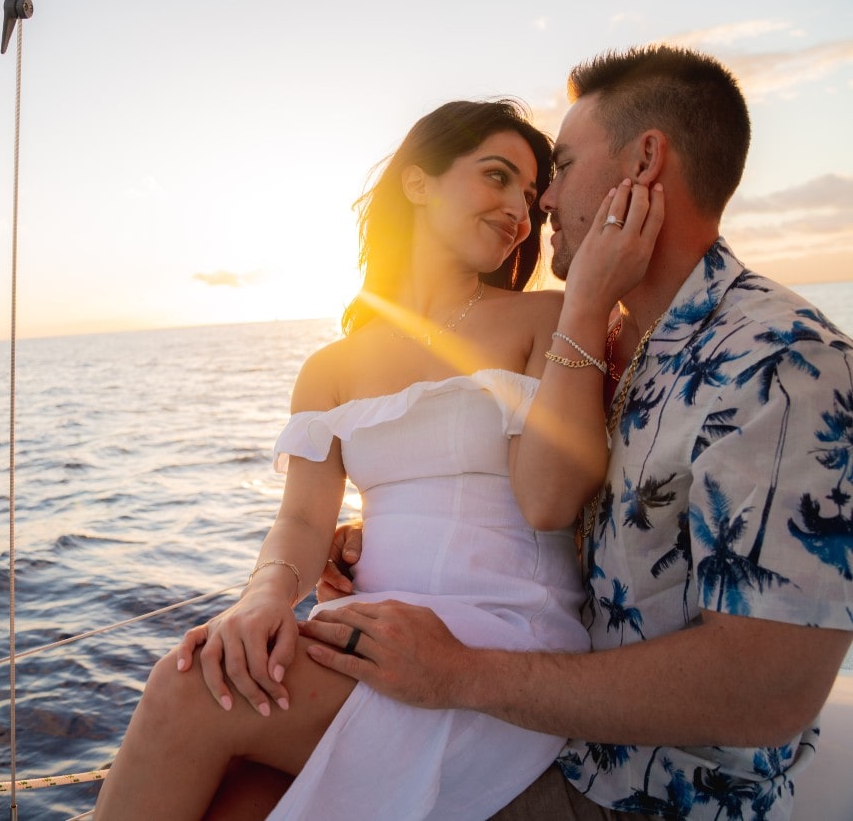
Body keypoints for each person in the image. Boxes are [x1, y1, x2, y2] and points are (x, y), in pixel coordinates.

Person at [307, 45, 853, 819]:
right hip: (533, 737)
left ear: (646, 162)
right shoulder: (607, 336)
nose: (543, 201)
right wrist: (380, 533)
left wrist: (458, 673)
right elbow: (551, 505)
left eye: (559, 167)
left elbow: (765, 690)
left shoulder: (785, 366)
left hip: (641, 795)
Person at [94, 98, 664, 819]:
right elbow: (302, 520)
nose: (521, 209)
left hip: (501, 638)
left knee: (188, 686)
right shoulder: (331, 367)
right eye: (496, 177)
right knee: (233, 800)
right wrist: (265, 597)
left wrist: (584, 305)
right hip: (370, 629)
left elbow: (549, 498)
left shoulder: (543, 318)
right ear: (418, 183)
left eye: (529, 192)